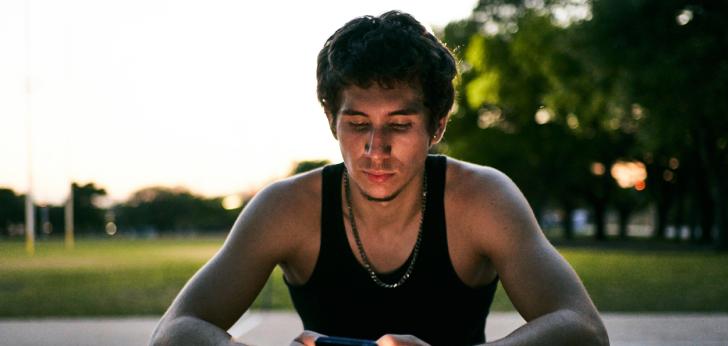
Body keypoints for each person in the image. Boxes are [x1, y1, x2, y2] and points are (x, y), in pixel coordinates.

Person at [150, 10, 609, 346]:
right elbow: (174, 332)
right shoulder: (287, 208)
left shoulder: (481, 198)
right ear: (332, 119)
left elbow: (583, 328)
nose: (375, 149)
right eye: (357, 124)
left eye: (400, 124)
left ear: (438, 125)